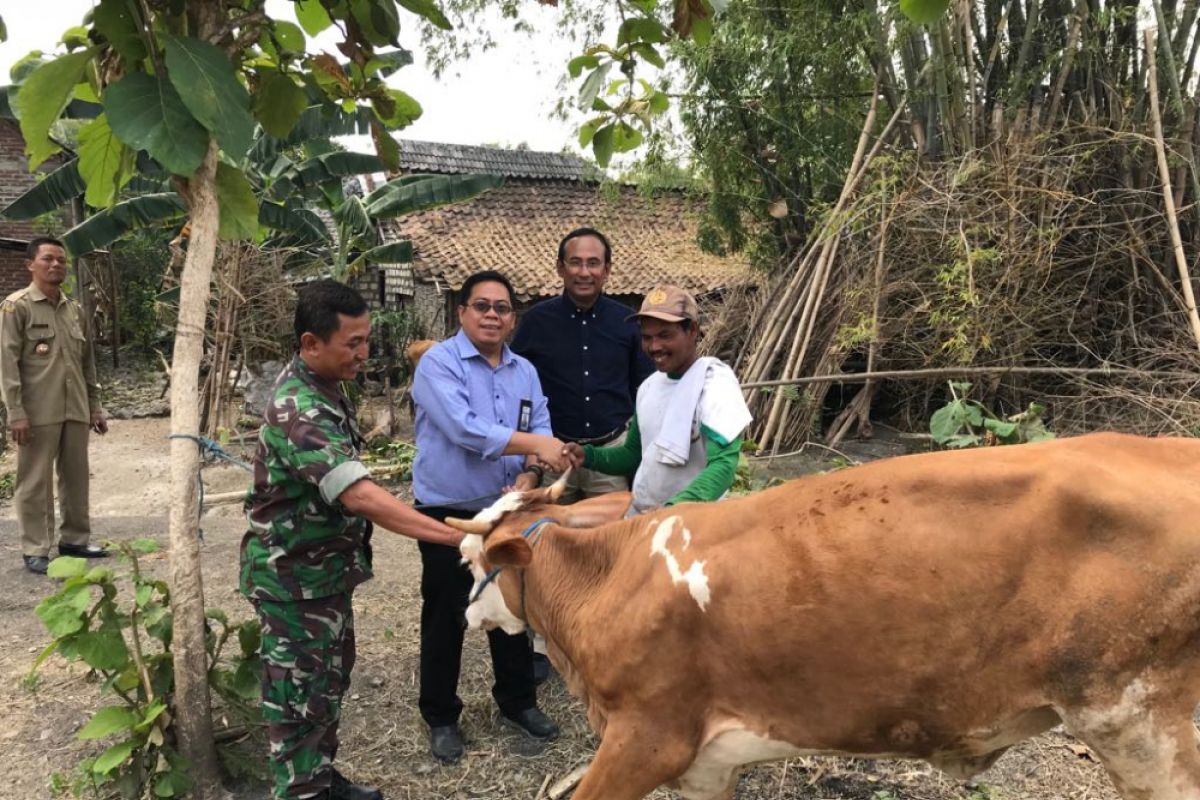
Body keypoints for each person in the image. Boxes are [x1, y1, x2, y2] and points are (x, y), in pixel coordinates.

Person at [240, 279, 464, 800]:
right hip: (293, 583)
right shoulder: (300, 409)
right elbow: (360, 496)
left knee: (327, 683)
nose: (364, 353)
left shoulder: (326, 387)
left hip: (323, 576)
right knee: (298, 697)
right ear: (311, 344)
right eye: (353, 343)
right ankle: (301, 789)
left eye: (366, 340)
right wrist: (453, 536)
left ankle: (320, 777)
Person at [411, 270, 566, 763]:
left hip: (507, 506)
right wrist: (538, 445)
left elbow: (538, 421)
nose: (492, 315)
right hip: (449, 511)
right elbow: (465, 430)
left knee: (513, 603)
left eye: (502, 308)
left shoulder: (524, 370)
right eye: (482, 306)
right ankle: (440, 716)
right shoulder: (438, 364)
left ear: (512, 317)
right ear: (462, 312)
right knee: (447, 612)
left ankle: (518, 702)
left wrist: (530, 474)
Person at [565, 285, 752, 515]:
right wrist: (590, 456)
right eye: (646, 337)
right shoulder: (649, 387)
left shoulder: (714, 384)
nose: (654, 347)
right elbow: (632, 455)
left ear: (692, 330)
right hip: (644, 516)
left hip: (694, 522)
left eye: (665, 335)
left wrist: (673, 509)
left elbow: (723, 465)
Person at [511, 227, 653, 502]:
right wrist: (530, 447)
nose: (584, 272)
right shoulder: (536, 323)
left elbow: (645, 391)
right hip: (554, 455)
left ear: (607, 269)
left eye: (593, 263)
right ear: (560, 268)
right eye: (575, 263)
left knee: (608, 538)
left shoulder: (627, 323)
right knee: (550, 537)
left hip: (611, 454)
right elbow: (519, 390)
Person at [0, 236, 108, 575]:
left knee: (76, 478)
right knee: (34, 481)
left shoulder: (74, 310)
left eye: (60, 260)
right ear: (31, 264)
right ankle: (35, 547)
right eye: (48, 259)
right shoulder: (16, 307)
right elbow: (7, 363)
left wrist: (95, 405)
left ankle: (75, 539)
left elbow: (87, 362)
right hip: (36, 411)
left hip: (74, 407)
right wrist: (15, 412)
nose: (56, 265)